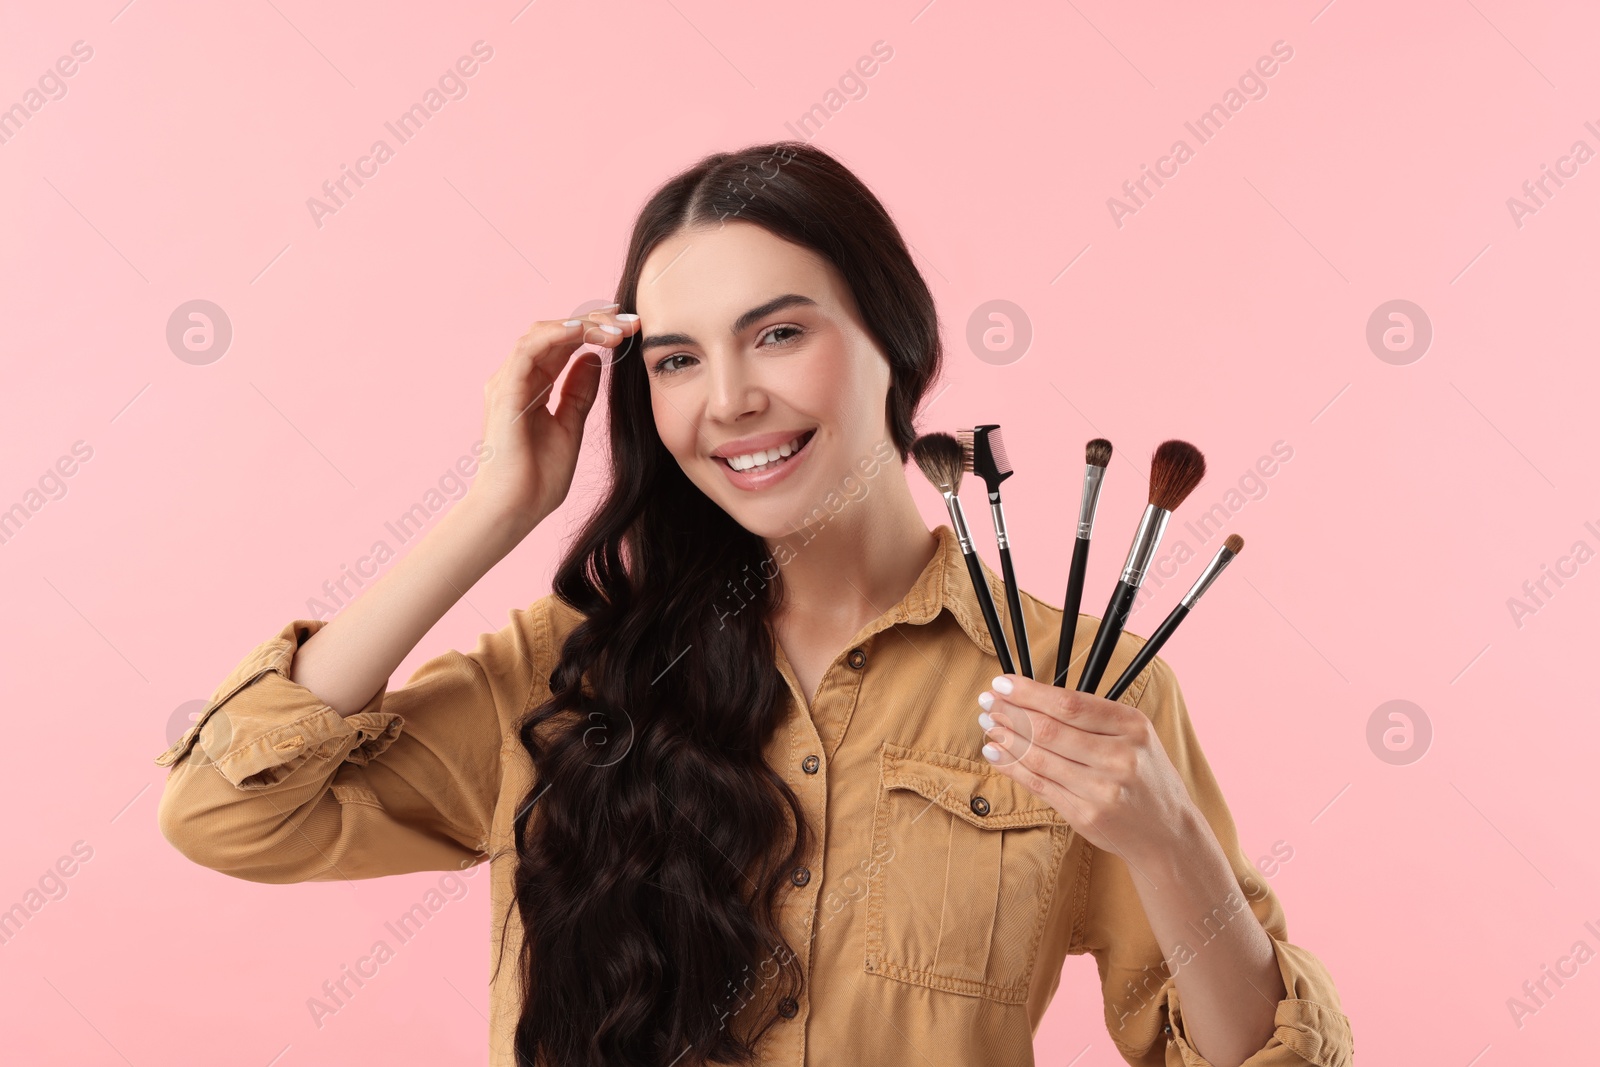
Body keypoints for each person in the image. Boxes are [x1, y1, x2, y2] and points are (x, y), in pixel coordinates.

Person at [153, 140, 1352, 1067]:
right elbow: (225, 811)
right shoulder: (565, 675)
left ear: (897, 339)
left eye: (777, 333)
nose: (727, 398)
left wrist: (1170, 840)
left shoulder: (1079, 683)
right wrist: (495, 508)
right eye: (675, 358)